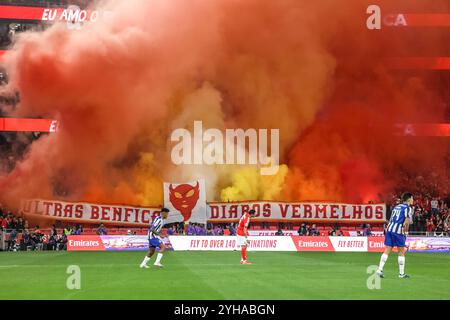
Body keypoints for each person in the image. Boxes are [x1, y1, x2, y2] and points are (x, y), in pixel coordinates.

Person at [376, 192, 413, 279]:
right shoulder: (407, 208)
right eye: (412, 198)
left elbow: (393, 218)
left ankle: (379, 270)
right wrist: (406, 232)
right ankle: (401, 273)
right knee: (401, 251)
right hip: (398, 231)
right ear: (409, 199)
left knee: (387, 249)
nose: (413, 200)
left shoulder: (397, 206)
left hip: (389, 229)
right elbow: (407, 221)